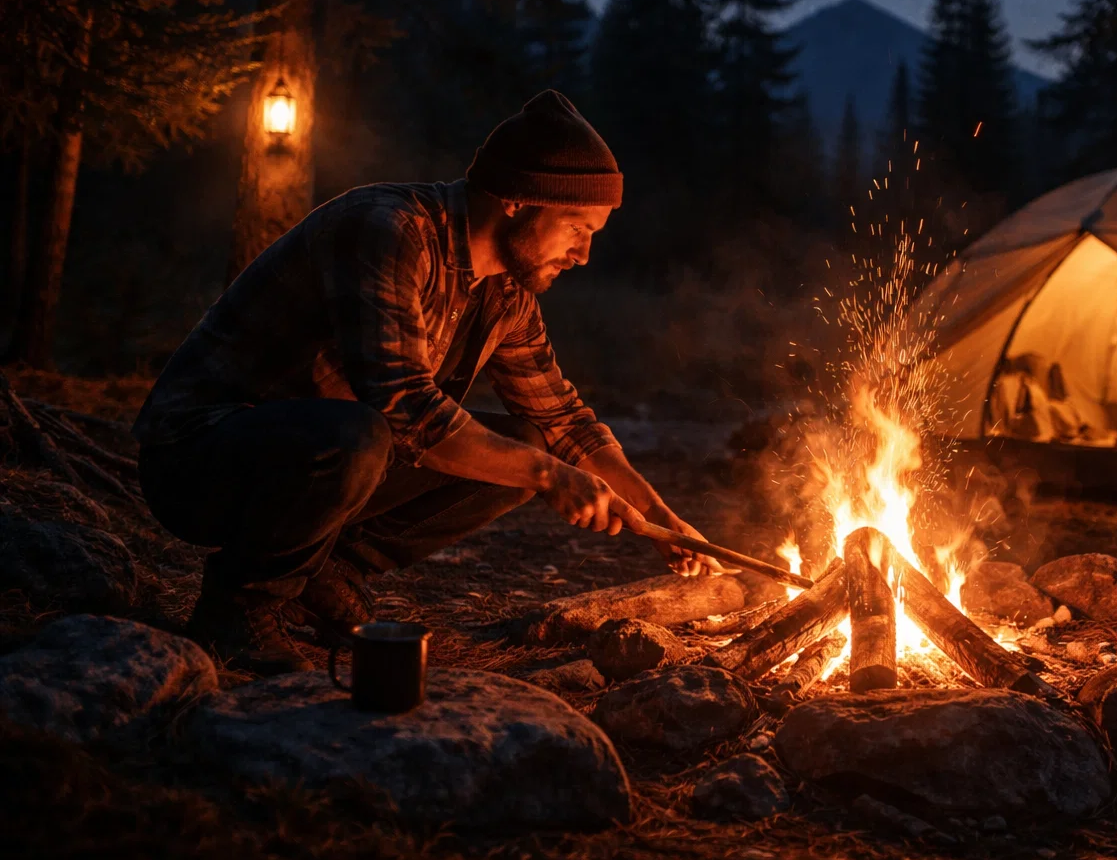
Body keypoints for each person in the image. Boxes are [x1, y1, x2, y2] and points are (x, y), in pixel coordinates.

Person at [133, 90, 721, 674]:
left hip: (319, 465)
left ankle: (331, 568)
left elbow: (562, 422)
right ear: (517, 200)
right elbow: (403, 407)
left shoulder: (506, 292)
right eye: (576, 227)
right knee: (368, 435)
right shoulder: (391, 230)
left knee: (529, 441)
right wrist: (549, 476)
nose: (584, 254)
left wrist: (662, 519)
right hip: (199, 459)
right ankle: (238, 607)